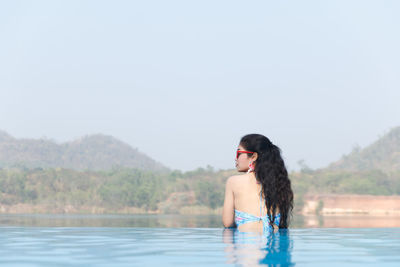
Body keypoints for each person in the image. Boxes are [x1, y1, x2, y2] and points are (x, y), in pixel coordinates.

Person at [222, 134, 294, 233]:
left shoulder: (233, 182)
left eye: (238, 153)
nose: (236, 158)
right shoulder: (279, 182)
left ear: (254, 156)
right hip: (275, 244)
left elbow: (227, 223)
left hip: (245, 246)